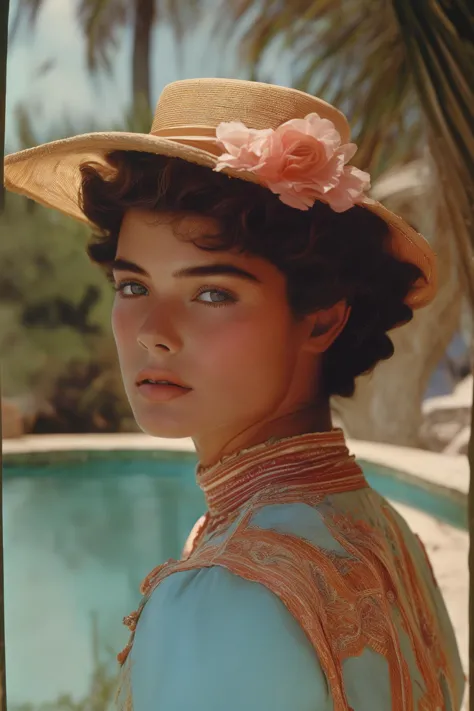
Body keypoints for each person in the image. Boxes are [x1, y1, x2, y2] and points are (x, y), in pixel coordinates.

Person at [5, 78, 465, 710]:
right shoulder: (388, 534)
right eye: (133, 286)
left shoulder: (223, 594)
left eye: (213, 293)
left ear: (322, 319)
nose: (154, 336)